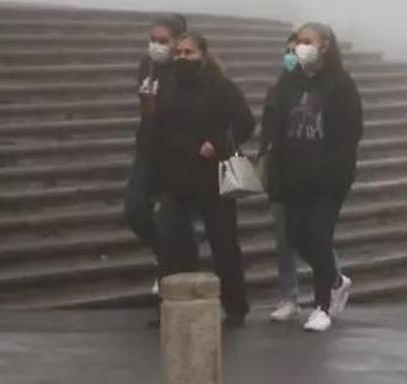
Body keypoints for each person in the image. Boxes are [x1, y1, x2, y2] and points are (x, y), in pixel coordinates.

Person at [151, 32, 255, 326]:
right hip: (177, 177)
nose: (182, 58)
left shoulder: (222, 88)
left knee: (224, 245)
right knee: (172, 244)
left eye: (189, 53)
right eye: (179, 53)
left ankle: (235, 308)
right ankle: (173, 306)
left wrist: (220, 145)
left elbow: (245, 123)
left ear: (203, 55)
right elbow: (159, 129)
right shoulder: (168, 88)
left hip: (213, 178)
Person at [265, 22, 363, 332]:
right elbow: (275, 124)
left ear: (325, 47)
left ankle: (322, 306)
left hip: (329, 179)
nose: (299, 47)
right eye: (297, 41)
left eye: (308, 41)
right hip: (294, 175)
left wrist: (335, 169)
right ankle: (335, 279)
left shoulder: (340, 83)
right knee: (295, 236)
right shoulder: (288, 82)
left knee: (320, 236)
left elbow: (352, 131)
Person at [260, 32, 342, 323]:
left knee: (316, 234)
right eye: (290, 50)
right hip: (282, 172)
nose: (294, 55)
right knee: (286, 236)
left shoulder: (331, 85)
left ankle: (329, 288)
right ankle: (289, 296)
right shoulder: (281, 87)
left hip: (312, 174)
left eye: (299, 48)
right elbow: (271, 127)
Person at [125, 14, 193, 287]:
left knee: (171, 220)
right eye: (152, 40)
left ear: (177, 41)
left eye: (163, 41)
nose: (156, 46)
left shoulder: (186, 70)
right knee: (135, 210)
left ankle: (174, 267)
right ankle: (168, 257)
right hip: (148, 150)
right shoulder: (147, 66)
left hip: (177, 156)